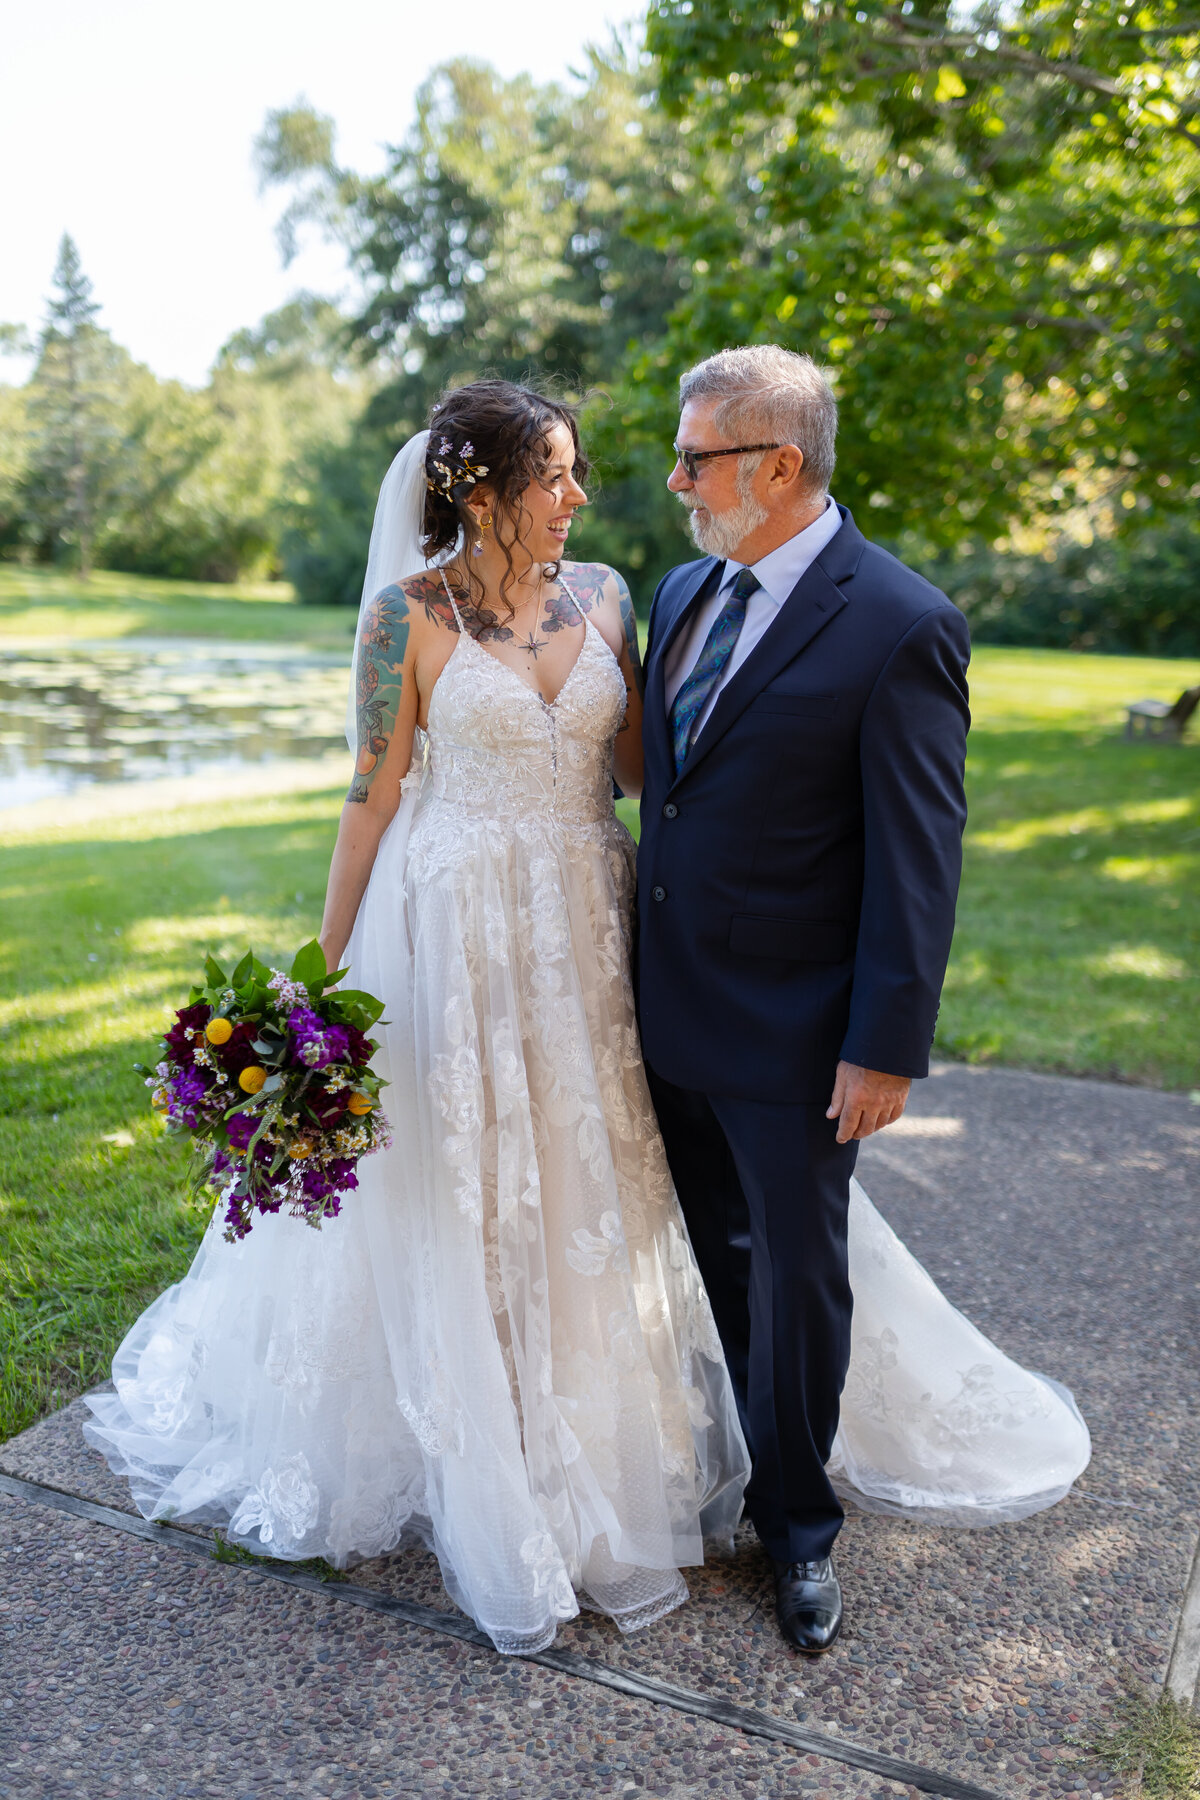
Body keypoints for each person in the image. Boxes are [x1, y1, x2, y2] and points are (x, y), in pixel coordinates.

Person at [85, 374, 1089, 1661]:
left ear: (774, 465)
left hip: (607, 938)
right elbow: (370, 798)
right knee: (488, 1184)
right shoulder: (426, 617)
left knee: (639, 1201)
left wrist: (876, 1026)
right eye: (557, 473)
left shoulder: (628, 597)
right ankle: (501, 1442)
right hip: (471, 934)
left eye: (664, 462)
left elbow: (664, 773)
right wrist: (318, 977)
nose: (596, 492)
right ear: (484, 490)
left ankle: (760, 1504)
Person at [636, 344, 1087, 1654]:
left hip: (796, 1034)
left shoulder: (900, 623)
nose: (673, 480)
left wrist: (883, 1048)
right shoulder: (682, 589)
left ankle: (799, 1533)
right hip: (668, 1011)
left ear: (778, 467)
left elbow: (915, 861)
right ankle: (735, 1465)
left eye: (696, 458)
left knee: (799, 1284)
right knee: (714, 1264)